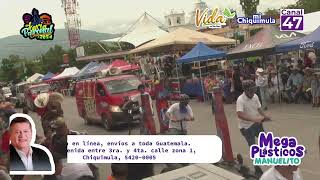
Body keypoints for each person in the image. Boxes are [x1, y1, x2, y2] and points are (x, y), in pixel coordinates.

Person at [236, 80, 271, 176]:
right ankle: (256, 169)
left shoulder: (255, 96)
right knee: (253, 147)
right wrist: (253, 119)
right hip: (246, 127)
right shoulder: (240, 100)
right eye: (250, 90)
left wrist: (265, 116)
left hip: (257, 124)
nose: (253, 92)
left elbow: (259, 108)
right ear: (245, 90)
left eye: (254, 89)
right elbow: (239, 114)